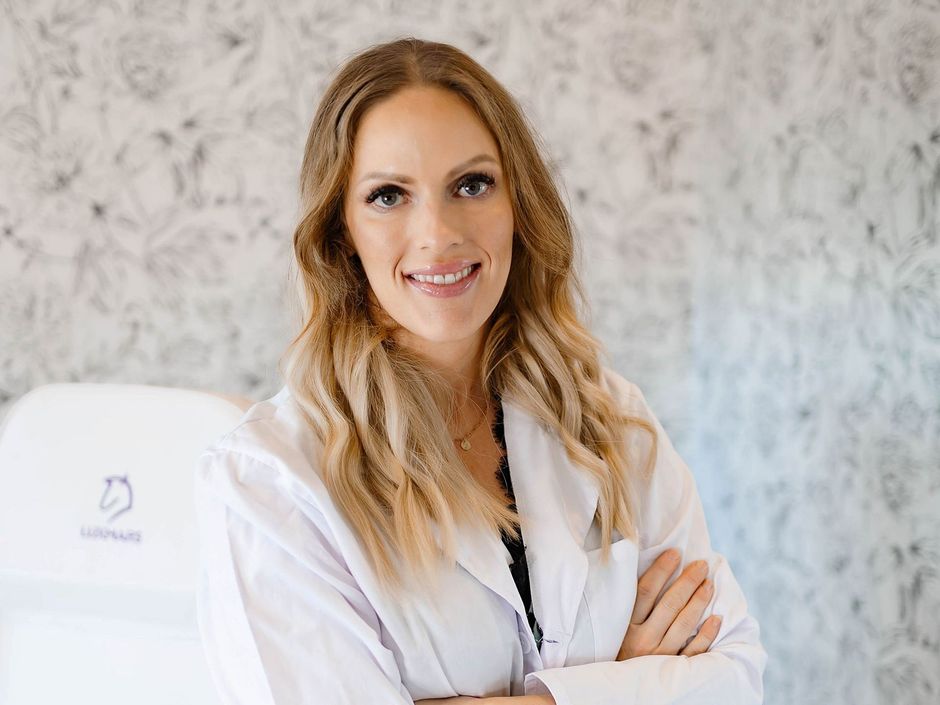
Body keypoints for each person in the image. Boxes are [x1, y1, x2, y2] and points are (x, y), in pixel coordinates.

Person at [194, 37, 767, 705]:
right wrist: (622, 680)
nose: (438, 233)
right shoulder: (270, 483)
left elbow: (732, 678)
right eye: (387, 195)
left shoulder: (609, 419)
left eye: (471, 184)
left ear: (517, 206)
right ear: (340, 231)